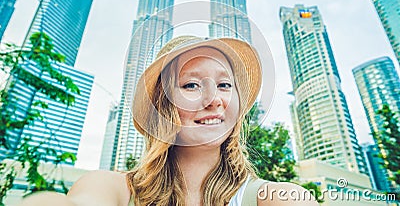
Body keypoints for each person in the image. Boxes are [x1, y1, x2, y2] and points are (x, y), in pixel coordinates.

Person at [19, 36, 318, 206]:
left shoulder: (274, 197)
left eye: (225, 85)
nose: (215, 99)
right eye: (191, 85)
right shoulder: (113, 189)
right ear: (162, 107)